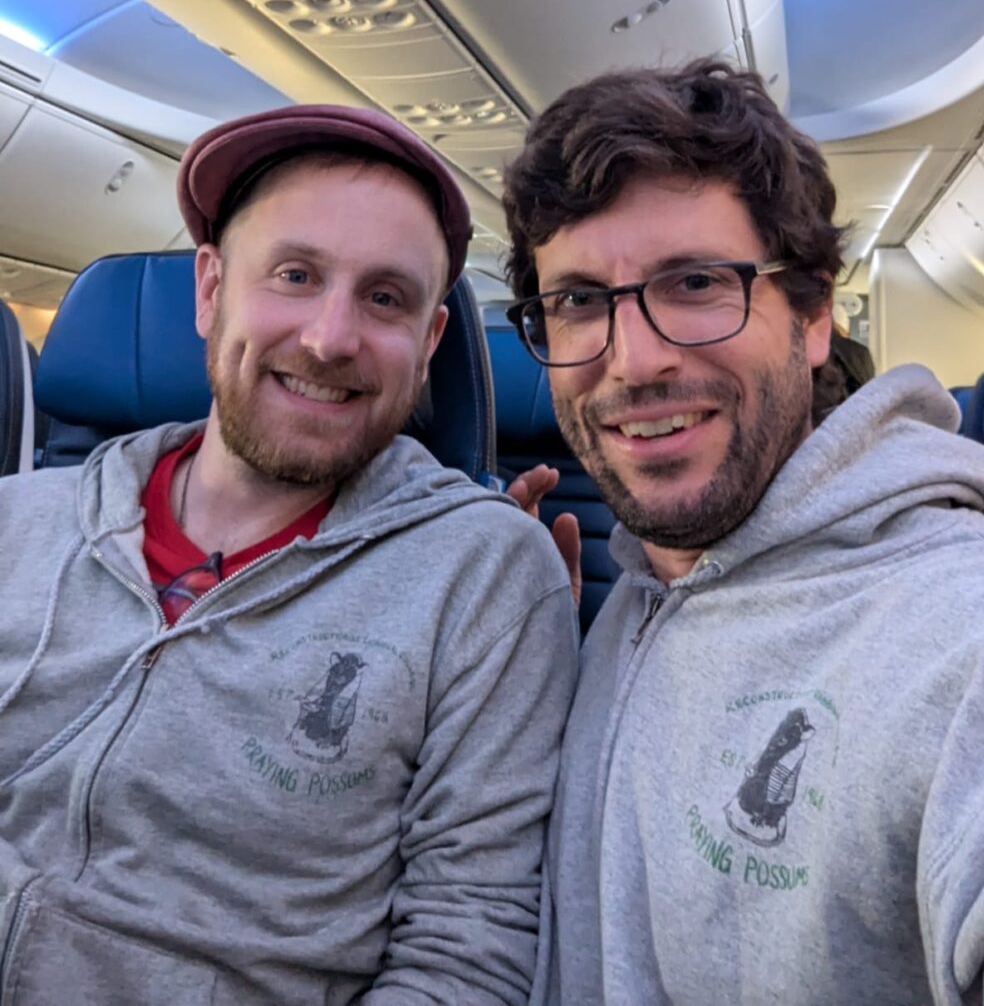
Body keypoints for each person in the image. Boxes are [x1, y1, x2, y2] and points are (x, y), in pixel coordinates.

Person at [0, 104, 577, 1005]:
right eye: (295, 274)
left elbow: (466, 958)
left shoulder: (484, 578)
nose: (329, 338)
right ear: (210, 290)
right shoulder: (15, 523)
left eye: (385, 298)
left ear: (428, 346)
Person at [501, 60, 984, 1005]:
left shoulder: (958, 635)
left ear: (811, 315)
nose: (633, 362)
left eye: (693, 283)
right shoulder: (631, 593)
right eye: (576, 302)